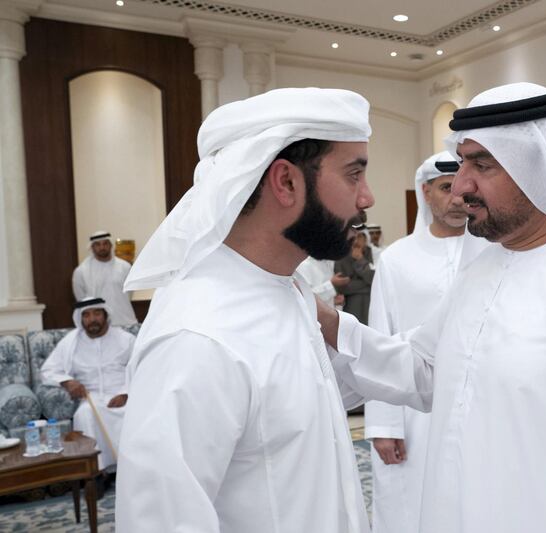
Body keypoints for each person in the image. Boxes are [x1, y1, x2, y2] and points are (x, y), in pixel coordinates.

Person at [319, 83, 546, 533]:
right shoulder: (482, 271)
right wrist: (328, 324)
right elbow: (426, 367)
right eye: (461, 165)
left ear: (540, 167)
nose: (460, 187)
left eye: (482, 164)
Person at [116, 88, 376, 532]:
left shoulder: (286, 293)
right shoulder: (198, 336)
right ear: (286, 182)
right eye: (354, 175)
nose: (367, 197)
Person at [365, 151, 468, 533]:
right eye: (446, 188)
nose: (458, 198)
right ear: (426, 192)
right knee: (410, 501)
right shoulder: (396, 259)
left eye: (461, 188)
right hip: (413, 411)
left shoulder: (491, 250)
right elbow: (381, 335)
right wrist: (385, 423)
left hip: (479, 400)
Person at [40, 297, 133, 470]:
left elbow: (139, 368)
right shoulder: (70, 342)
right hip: (92, 397)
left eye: (97, 313)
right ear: (80, 319)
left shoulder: (125, 339)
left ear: (105, 315)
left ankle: (131, 469)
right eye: (87, 315)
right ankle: (96, 471)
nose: (92, 319)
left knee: (135, 412)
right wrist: (67, 382)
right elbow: (48, 370)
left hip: (123, 395)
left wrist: (126, 393)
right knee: (85, 415)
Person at [72, 231, 138, 326]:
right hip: (99, 326)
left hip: (125, 321)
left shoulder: (125, 267)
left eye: (105, 243)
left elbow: (129, 294)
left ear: (111, 245)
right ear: (92, 247)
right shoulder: (81, 271)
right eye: (97, 244)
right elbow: (82, 300)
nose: (102, 247)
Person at [334, 232, 374, 324]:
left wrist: (360, 260)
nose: (356, 240)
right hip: (351, 305)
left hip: (370, 303)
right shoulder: (341, 254)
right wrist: (367, 285)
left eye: (360, 237)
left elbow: (373, 280)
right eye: (354, 236)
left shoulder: (368, 252)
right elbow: (342, 287)